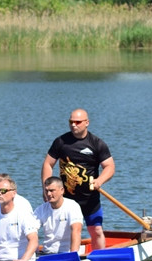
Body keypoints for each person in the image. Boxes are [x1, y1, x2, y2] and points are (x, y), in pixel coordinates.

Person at [41, 108, 115, 252]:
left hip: (89, 198)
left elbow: (110, 167)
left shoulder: (97, 143)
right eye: (71, 122)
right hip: (66, 199)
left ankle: (99, 260)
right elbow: (48, 164)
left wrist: (99, 181)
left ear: (87, 123)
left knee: (97, 231)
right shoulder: (61, 142)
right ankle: (65, 257)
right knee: (65, 233)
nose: (74, 125)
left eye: (78, 122)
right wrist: (46, 187)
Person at [0, 174, 39, 261]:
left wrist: (23, 260)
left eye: (3, 191)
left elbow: (34, 240)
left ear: (14, 193)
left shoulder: (23, 213)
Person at [34, 177, 84, 254]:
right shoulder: (40, 209)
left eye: (52, 191)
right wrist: (34, 250)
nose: (48, 194)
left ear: (62, 190)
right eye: (46, 191)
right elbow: (31, 231)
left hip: (67, 252)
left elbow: (76, 231)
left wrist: (73, 255)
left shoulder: (72, 206)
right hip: (47, 252)